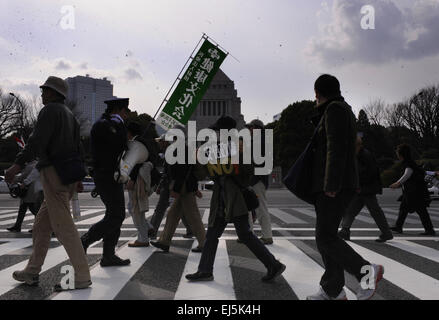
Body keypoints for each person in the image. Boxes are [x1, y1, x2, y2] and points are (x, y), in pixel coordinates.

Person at [5, 76, 91, 291]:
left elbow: (36, 141)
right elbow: (80, 150)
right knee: (41, 227)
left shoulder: (51, 111)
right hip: (68, 174)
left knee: (63, 227)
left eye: (45, 90)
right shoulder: (71, 116)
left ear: (54, 93)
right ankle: (32, 272)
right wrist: (79, 179)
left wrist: (17, 165)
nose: (42, 93)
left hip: (54, 172)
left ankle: (81, 275)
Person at [306, 74, 383, 300]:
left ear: (317, 93)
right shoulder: (339, 109)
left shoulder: (335, 110)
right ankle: (333, 290)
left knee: (326, 237)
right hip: (334, 183)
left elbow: (335, 148)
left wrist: (331, 183)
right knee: (325, 237)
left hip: (334, 184)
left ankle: (366, 271)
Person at [185, 116, 286, 282]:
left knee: (244, 234)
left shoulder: (239, 147)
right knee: (213, 234)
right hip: (221, 197)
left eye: (217, 130)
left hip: (235, 197)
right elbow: (204, 173)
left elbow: (247, 171)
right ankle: (205, 270)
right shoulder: (215, 148)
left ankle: (273, 264)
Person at [80, 98, 132, 267]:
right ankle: (86, 240)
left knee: (114, 214)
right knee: (117, 215)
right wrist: (122, 128)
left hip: (110, 175)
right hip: (106, 175)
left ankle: (108, 255)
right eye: (125, 112)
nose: (126, 115)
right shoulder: (105, 124)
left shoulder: (109, 124)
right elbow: (119, 143)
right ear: (117, 110)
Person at [150, 127, 206, 253]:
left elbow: (182, 172)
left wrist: (176, 189)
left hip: (183, 187)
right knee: (172, 214)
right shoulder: (179, 148)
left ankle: (204, 243)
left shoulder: (180, 149)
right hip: (184, 186)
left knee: (193, 215)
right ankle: (164, 242)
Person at [338, 136, 393, 243]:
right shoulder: (360, 155)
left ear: (357, 146)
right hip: (363, 188)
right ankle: (345, 230)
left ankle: (386, 232)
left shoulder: (365, 156)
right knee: (351, 210)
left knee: (373, 211)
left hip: (366, 188)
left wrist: (358, 184)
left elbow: (370, 173)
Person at [147, 132, 194, 240]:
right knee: (170, 209)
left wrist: (175, 188)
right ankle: (153, 231)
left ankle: (154, 232)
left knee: (170, 209)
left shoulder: (173, 153)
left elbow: (176, 173)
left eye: (161, 142)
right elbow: (166, 172)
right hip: (168, 186)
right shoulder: (169, 152)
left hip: (172, 186)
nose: (159, 144)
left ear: (166, 142)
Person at [389, 144, 436, 236]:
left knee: (421, 210)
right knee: (404, 208)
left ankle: (429, 229)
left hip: (415, 192)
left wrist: (398, 183)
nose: (397, 154)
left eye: (397, 152)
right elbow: (421, 172)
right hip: (412, 191)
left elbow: (407, 174)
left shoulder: (408, 163)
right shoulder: (410, 162)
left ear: (401, 154)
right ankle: (398, 226)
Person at [125, 122, 153, 248]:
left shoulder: (137, 144)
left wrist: (131, 178)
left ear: (129, 132)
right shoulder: (143, 142)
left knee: (135, 208)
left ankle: (143, 238)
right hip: (142, 179)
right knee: (135, 207)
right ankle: (147, 228)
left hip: (137, 179)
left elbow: (136, 162)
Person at [246, 119, 273, 245]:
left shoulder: (259, 141)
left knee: (260, 207)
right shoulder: (260, 141)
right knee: (253, 207)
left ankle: (267, 235)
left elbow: (256, 162)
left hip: (257, 179)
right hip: (257, 179)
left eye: (251, 127)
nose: (249, 130)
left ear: (257, 128)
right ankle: (249, 234)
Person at [7, 160, 43, 233]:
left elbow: (23, 177)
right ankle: (17, 226)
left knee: (34, 210)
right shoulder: (34, 164)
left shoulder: (30, 166)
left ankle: (38, 226)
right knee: (23, 209)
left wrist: (13, 179)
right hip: (31, 191)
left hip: (29, 191)